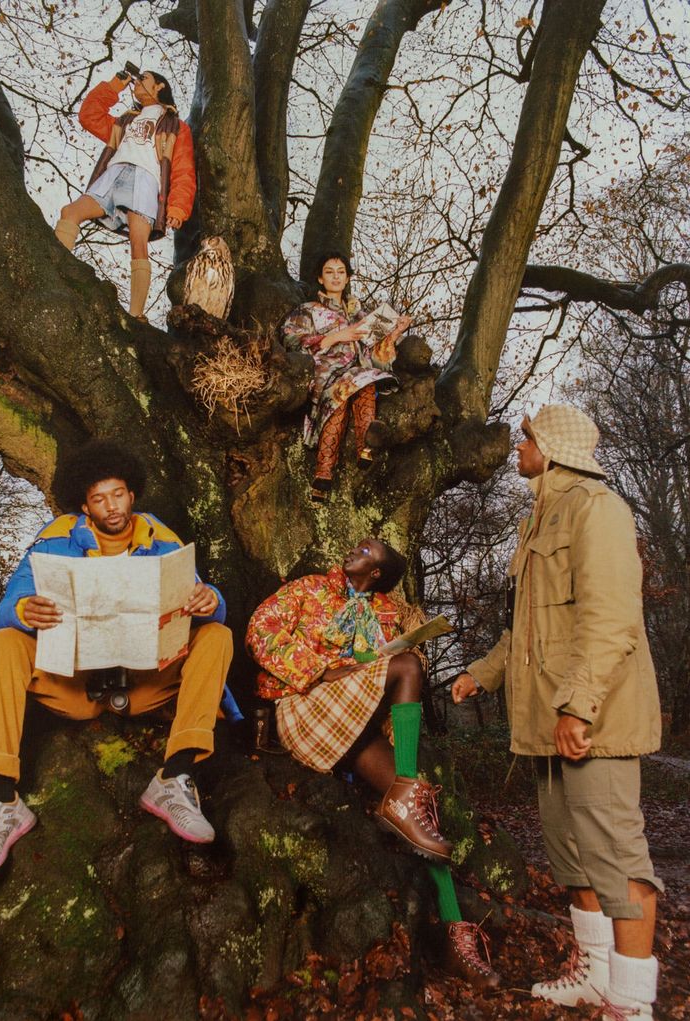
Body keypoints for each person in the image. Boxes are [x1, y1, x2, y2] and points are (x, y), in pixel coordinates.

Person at [452, 404, 663, 1021]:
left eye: (526, 439)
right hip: (549, 720)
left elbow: (611, 619)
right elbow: (527, 630)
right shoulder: (540, 515)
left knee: (617, 860)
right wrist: (480, 674)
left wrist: (579, 707)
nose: (518, 448)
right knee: (571, 855)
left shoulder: (598, 509)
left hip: (593, 721)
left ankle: (631, 1004)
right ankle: (596, 977)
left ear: (552, 446)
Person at [0, 441, 236, 884]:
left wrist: (210, 600)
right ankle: (1, 800)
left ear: (132, 494)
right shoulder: (57, 536)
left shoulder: (159, 535)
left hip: (145, 684)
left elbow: (208, 601)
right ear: (85, 504)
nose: (112, 505)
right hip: (74, 688)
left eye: (119, 493)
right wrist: (24, 609)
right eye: (99, 497)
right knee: (3, 644)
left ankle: (177, 776)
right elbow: (5, 608)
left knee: (217, 636)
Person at [247, 537, 500, 989]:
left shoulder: (387, 612)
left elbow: (378, 672)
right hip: (303, 707)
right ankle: (404, 796)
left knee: (422, 813)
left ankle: (454, 931)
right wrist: (322, 669)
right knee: (407, 668)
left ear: (378, 572)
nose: (353, 552)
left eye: (365, 551)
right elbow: (259, 630)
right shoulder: (309, 590)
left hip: (354, 723)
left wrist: (366, 659)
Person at [54, 67, 196, 321]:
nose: (137, 82)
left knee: (138, 242)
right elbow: (89, 116)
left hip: (145, 178)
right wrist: (113, 86)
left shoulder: (176, 126)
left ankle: (136, 314)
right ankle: (53, 272)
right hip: (113, 174)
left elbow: (184, 169)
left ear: (160, 86)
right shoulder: (126, 120)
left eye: (144, 78)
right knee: (70, 212)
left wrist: (177, 207)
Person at [282, 252, 411, 502]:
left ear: (348, 277)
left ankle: (366, 446)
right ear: (320, 278)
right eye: (329, 272)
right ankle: (324, 472)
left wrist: (395, 332)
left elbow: (374, 351)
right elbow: (290, 339)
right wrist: (335, 337)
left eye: (341, 272)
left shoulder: (360, 312)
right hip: (326, 372)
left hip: (358, 371)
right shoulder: (308, 310)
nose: (335, 277)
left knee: (365, 382)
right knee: (343, 393)